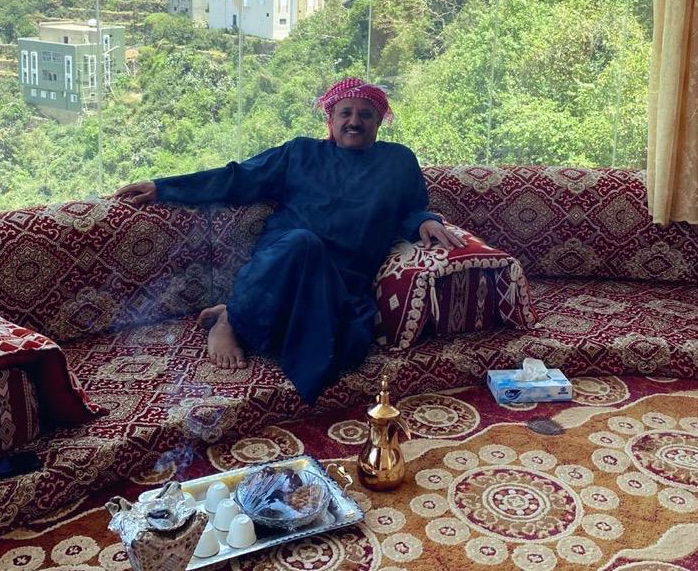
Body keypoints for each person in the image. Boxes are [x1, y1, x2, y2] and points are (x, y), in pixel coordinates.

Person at [114, 77, 461, 403]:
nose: (354, 122)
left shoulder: (398, 161)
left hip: (344, 278)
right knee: (304, 243)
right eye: (346, 113)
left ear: (379, 121)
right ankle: (231, 321)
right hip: (284, 262)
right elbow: (239, 178)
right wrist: (164, 187)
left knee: (350, 347)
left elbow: (410, 208)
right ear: (331, 119)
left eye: (365, 115)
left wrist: (425, 222)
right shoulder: (299, 153)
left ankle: (239, 312)